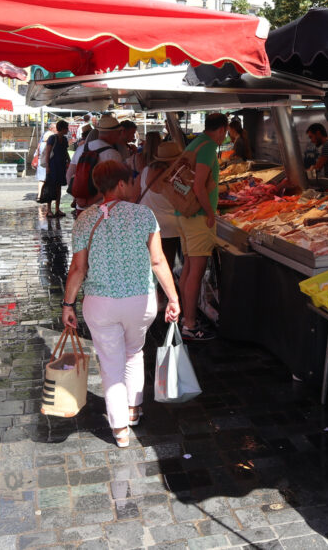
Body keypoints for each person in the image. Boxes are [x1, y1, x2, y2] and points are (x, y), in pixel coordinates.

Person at [61, 160, 181, 448]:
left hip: (100, 304)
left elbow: (78, 269)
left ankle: (120, 430)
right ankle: (133, 409)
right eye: (131, 181)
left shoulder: (85, 218)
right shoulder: (144, 215)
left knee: (110, 363)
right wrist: (174, 298)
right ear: (120, 184)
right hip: (140, 301)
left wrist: (68, 304)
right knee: (134, 353)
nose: (134, 185)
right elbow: (157, 261)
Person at [176, 112, 229, 341]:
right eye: (224, 132)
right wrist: (210, 214)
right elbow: (199, 186)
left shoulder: (195, 143)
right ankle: (189, 324)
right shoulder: (207, 147)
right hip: (198, 217)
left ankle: (185, 317)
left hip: (184, 214)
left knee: (188, 268)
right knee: (195, 272)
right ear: (221, 129)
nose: (224, 136)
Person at [139, 140, 182, 291]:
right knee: (166, 264)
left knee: (150, 263)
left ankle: (151, 295)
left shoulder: (145, 171)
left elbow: (137, 192)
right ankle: (162, 298)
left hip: (147, 223)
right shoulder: (176, 176)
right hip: (169, 227)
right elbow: (184, 197)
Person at [66, 114, 124, 210]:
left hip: (81, 207)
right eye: (119, 132)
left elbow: (69, 175)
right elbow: (112, 185)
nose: (120, 135)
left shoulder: (81, 148)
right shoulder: (113, 154)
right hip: (103, 208)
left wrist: (78, 198)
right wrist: (91, 201)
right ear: (113, 133)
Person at [41, 120, 71, 218]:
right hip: (53, 166)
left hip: (61, 166)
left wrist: (69, 161)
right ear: (62, 128)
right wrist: (47, 167)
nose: (68, 130)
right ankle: (49, 210)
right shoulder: (52, 138)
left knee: (58, 188)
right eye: (66, 128)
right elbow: (48, 153)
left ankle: (57, 209)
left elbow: (65, 151)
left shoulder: (65, 140)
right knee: (50, 187)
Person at [35, 121, 57, 198]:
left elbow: (37, 152)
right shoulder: (48, 145)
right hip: (46, 163)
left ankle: (39, 195)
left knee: (41, 180)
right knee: (47, 180)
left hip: (41, 162)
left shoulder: (41, 144)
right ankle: (46, 195)